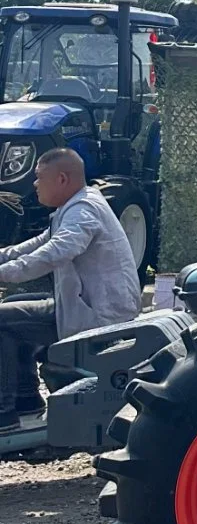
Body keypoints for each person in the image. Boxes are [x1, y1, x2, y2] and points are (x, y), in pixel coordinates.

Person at [0, 149, 142, 432]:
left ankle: (5, 413)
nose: (35, 185)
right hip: (88, 305)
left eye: (39, 178)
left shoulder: (83, 209)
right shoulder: (75, 207)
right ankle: (27, 400)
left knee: (3, 318)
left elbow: (58, 251)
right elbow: (36, 245)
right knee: (16, 305)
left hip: (99, 316)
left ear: (62, 178)